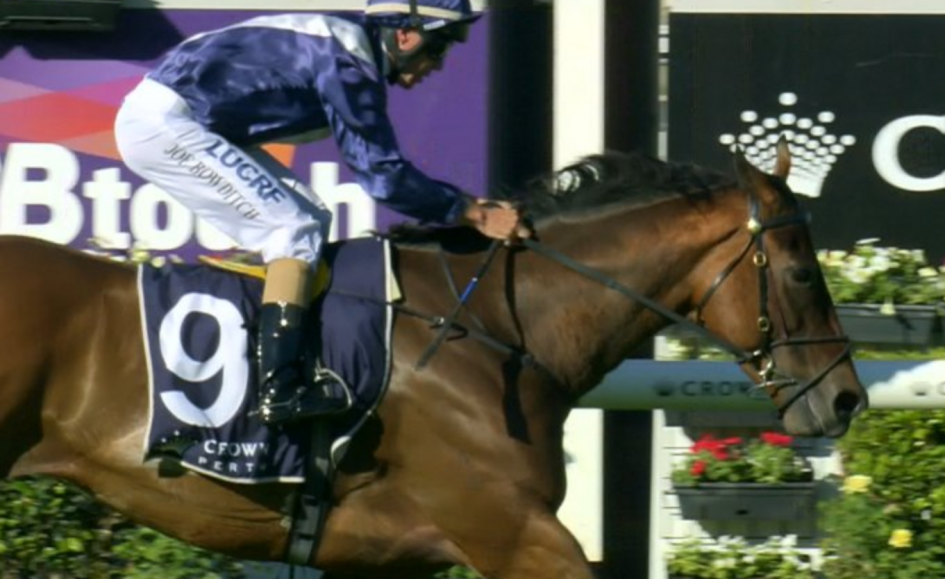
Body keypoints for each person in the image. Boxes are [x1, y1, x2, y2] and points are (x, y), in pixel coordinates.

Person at [114, 0, 529, 426]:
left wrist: (470, 208)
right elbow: (383, 179)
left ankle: (277, 348)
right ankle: (276, 388)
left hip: (179, 117)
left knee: (311, 219)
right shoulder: (350, 62)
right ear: (406, 36)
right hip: (165, 124)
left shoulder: (346, 46)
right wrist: (476, 214)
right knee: (291, 228)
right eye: (438, 48)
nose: (437, 64)